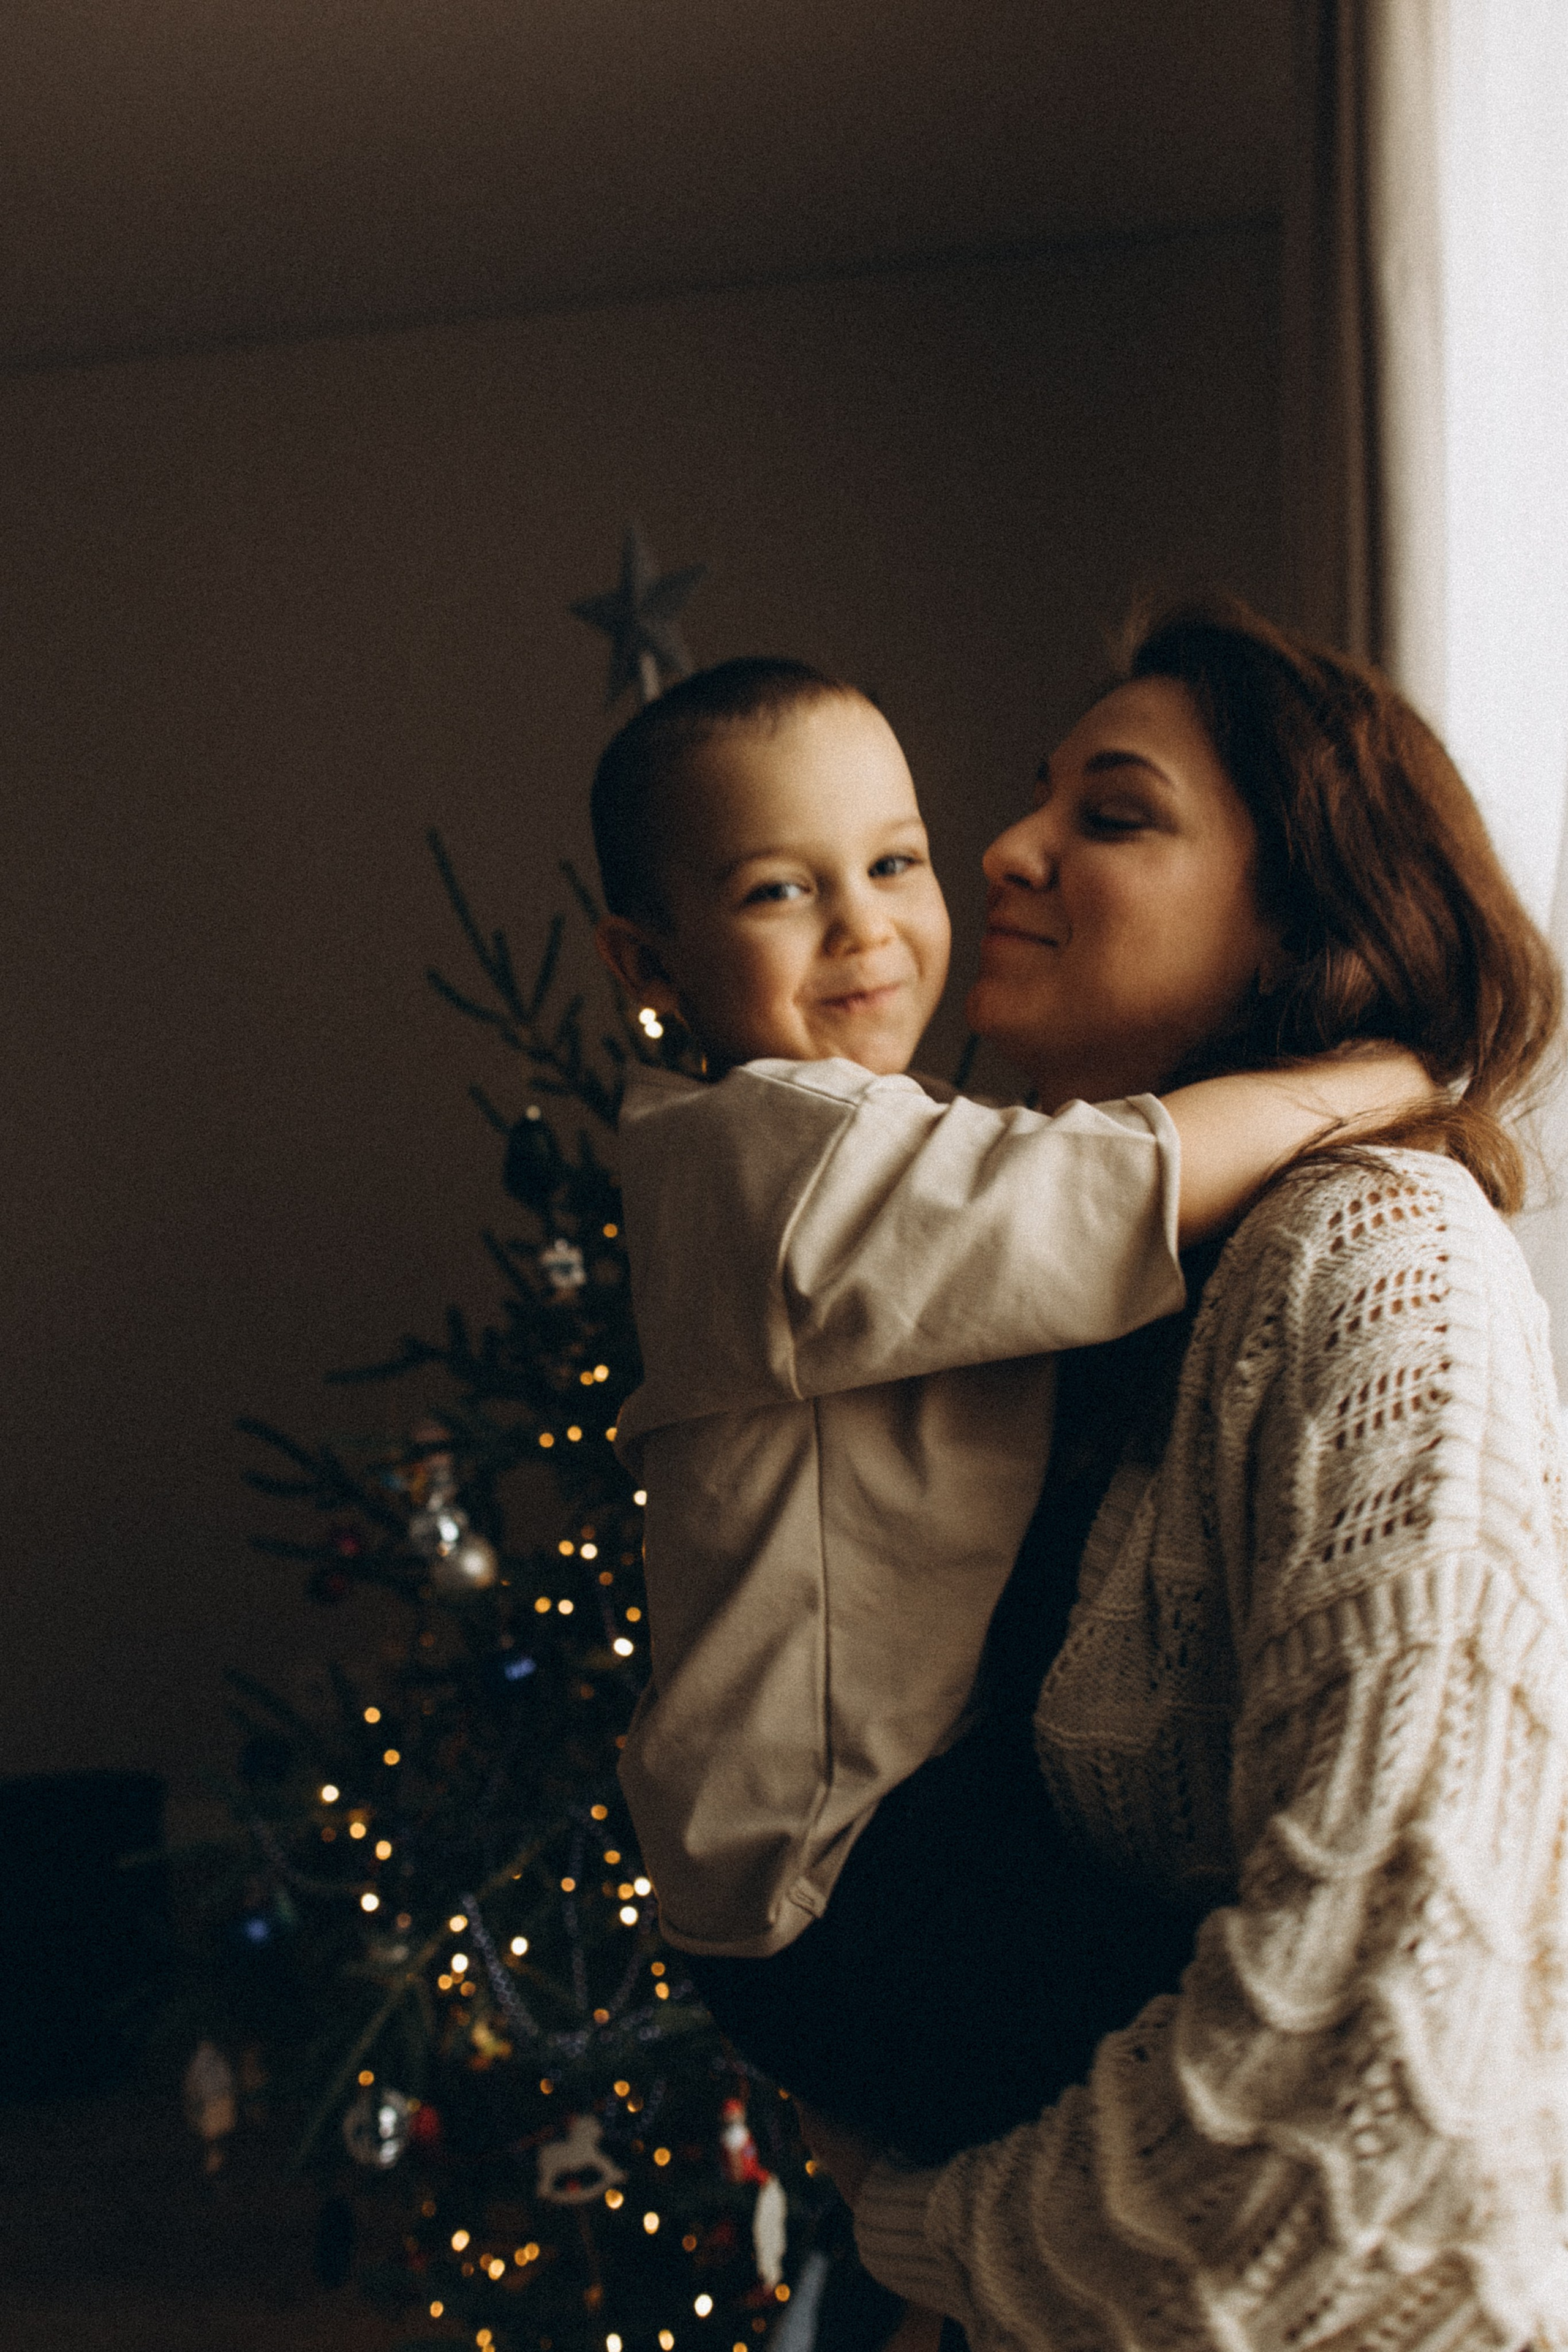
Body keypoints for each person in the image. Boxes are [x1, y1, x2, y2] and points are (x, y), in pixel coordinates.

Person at [782, 600, 1568, 2352]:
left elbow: (1374, 2075)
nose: (1004, 849)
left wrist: (916, 2230)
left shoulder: (1381, 1260)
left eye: (1114, 814)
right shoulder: (1112, 1299)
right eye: (1036, 797)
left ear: (1306, 921)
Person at [590, 656, 1425, 2141]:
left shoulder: (864, 1139)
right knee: (1265, 2068)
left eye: (892, 862)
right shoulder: (761, 1159)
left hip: (886, 1821)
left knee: (1232, 2031)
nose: (864, 926)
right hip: (833, 1872)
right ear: (651, 968)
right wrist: (1384, 1081)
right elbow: (1106, 1185)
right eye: (780, 890)